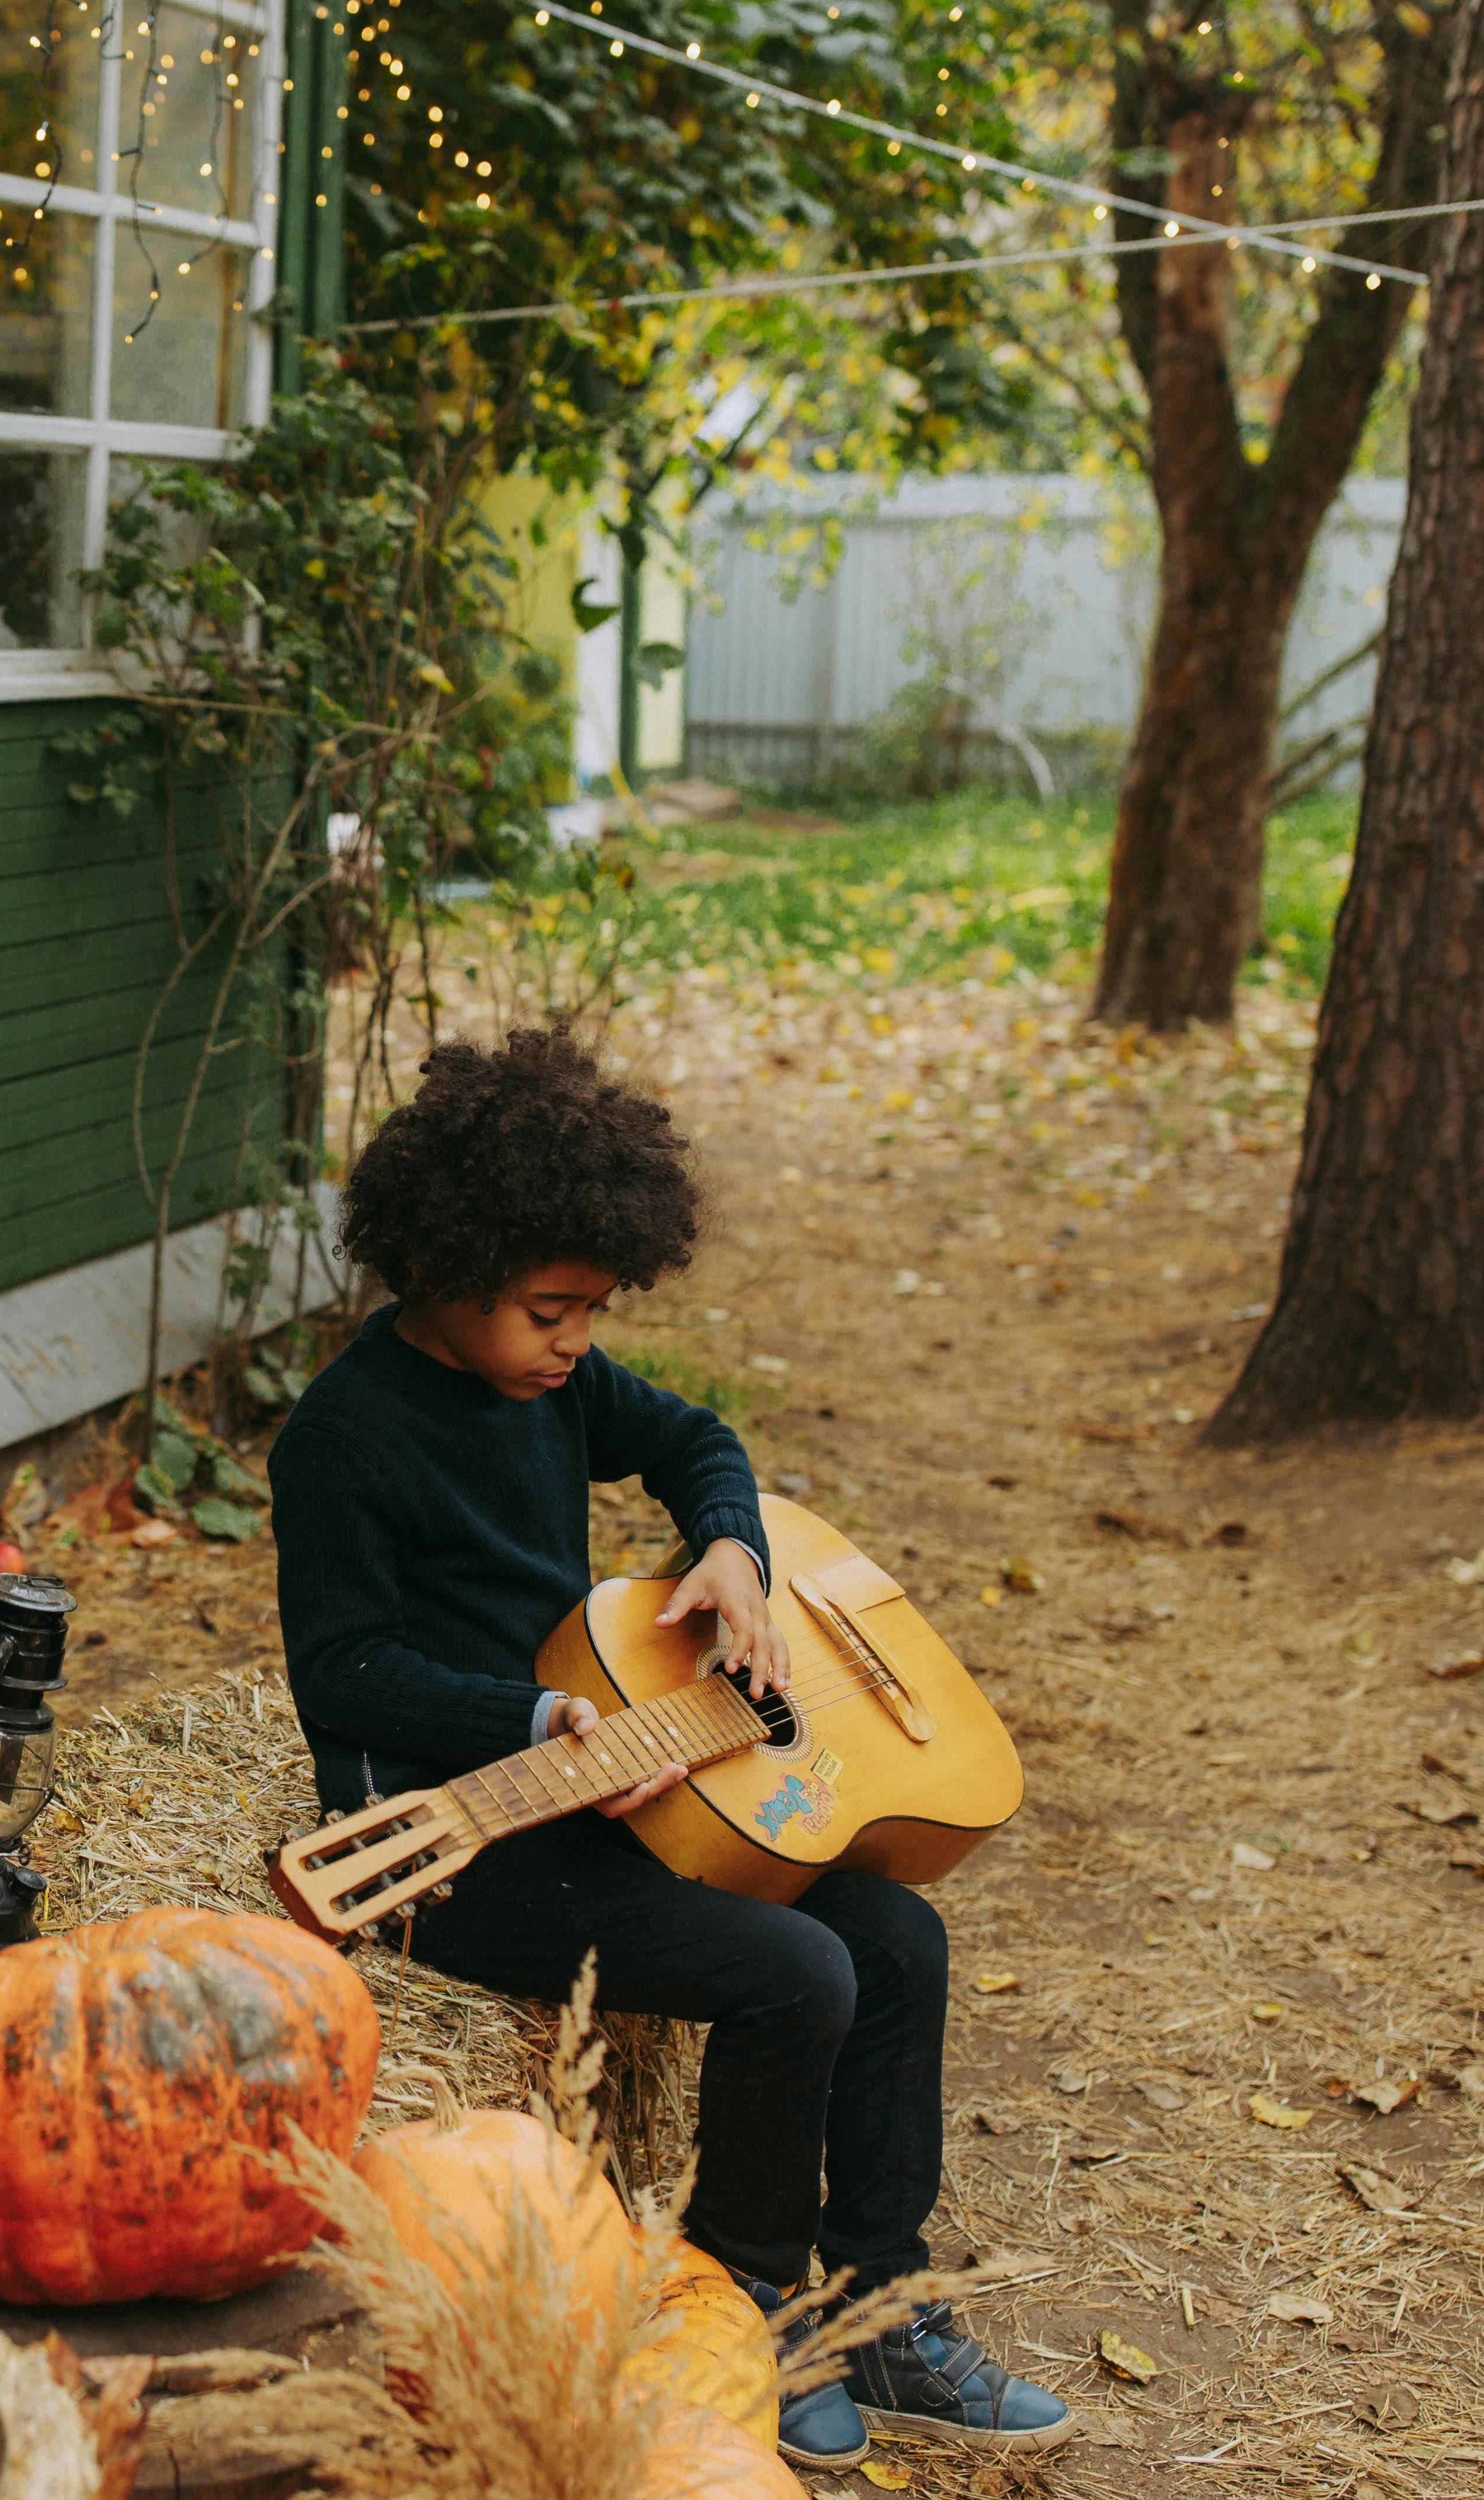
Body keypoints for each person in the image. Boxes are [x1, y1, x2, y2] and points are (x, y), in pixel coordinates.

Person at [268, 1027, 1071, 2468]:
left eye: (591, 1308)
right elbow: (344, 1673)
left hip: (622, 1784)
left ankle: (878, 2304)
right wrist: (535, 1718)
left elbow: (702, 1439)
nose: (576, 1340)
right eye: (549, 1308)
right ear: (445, 1271)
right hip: (474, 1829)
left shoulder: (558, 1383)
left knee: (898, 1937)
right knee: (796, 1970)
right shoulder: (343, 1437)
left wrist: (735, 1558)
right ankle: (747, 2301)